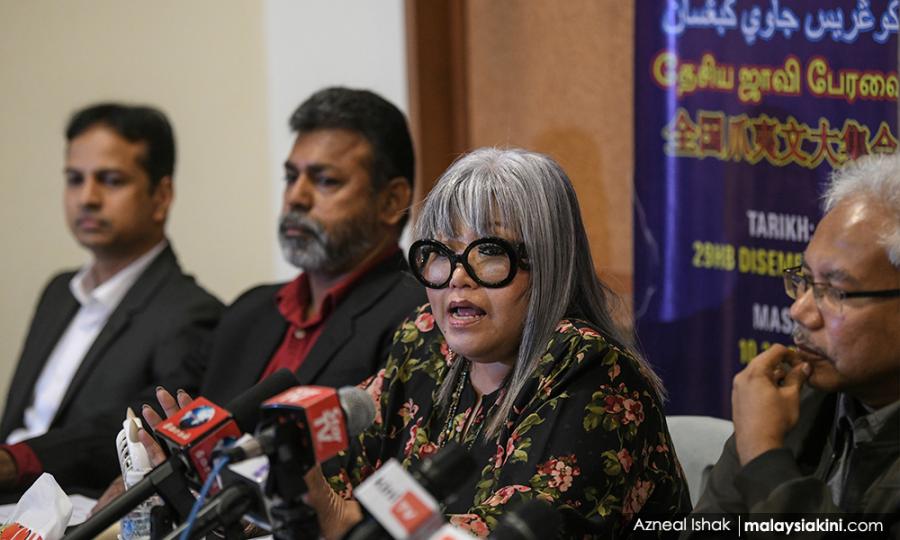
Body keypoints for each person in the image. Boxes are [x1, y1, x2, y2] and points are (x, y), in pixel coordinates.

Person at [305, 148, 690, 538]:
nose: (457, 277)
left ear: (548, 262)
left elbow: (514, 531)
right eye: (440, 252)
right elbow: (333, 466)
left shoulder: (591, 368)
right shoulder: (425, 341)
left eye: (488, 251)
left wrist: (343, 518)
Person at [92, 87, 426, 510]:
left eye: (325, 180)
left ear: (392, 200)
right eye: (291, 177)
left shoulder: (417, 319)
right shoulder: (250, 310)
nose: (296, 197)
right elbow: (149, 409)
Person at [0, 103, 223, 495]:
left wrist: (14, 461)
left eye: (111, 180)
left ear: (162, 195)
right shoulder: (58, 292)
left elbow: (135, 434)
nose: (87, 197)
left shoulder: (193, 313)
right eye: (75, 179)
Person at [691, 153, 900, 523]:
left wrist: (764, 456)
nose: (800, 311)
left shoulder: (769, 430)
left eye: (834, 292)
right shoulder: (792, 401)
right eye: (804, 280)